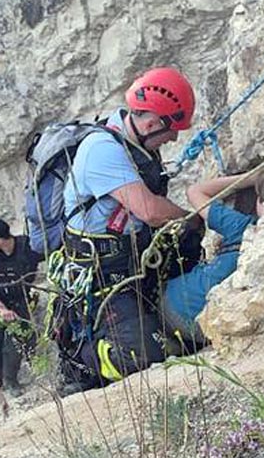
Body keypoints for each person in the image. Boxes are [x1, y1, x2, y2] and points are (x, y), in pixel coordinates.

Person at [60, 67, 197, 389]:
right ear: (151, 123)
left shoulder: (136, 146)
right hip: (105, 275)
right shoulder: (102, 149)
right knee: (143, 355)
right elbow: (149, 210)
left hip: (135, 258)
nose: (174, 138)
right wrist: (194, 216)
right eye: (172, 131)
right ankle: (82, 362)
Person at [161, 167, 264, 353]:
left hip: (174, 302)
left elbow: (194, 192)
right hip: (203, 325)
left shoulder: (242, 226)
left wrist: (251, 177)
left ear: (260, 203)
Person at [0, 218, 43, 396]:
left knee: (16, 341)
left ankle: (11, 381)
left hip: (19, 299)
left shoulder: (27, 247)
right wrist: (1, 309)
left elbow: (48, 257)